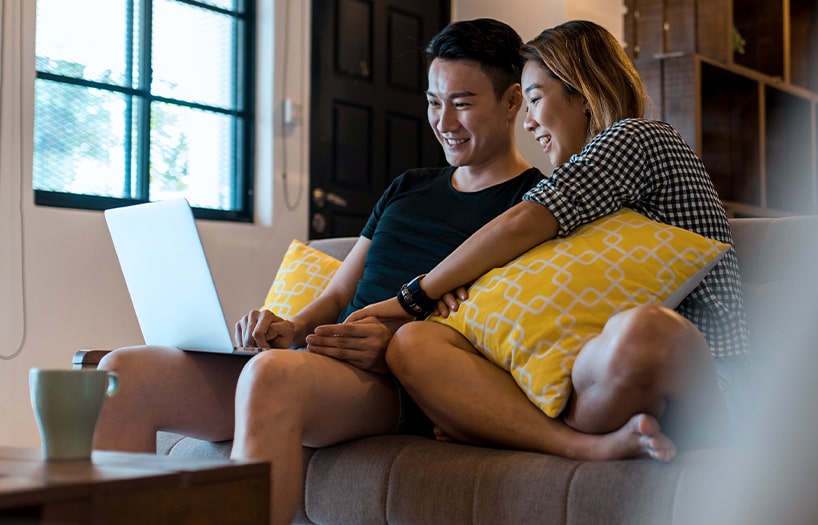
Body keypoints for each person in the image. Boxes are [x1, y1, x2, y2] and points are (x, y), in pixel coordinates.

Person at [93, 18, 543, 525]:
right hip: (319, 364)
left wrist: (392, 348)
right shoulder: (408, 187)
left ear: (511, 102)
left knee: (272, 376)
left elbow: (499, 326)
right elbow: (337, 293)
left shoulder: (532, 206)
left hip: (396, 385)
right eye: (434, 103)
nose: (444, 121)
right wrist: (288, 327)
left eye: (462, 103)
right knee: (124, 371)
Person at [348, 20, 751, 462]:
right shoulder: (582, 195)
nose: (530, 121)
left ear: (583, 93)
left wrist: (415, 297)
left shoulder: (641, 137)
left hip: (704, 376)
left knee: (645, 329)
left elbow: (522, 222)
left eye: (535, 99)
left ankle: (505, 428)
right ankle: (580, 446)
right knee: (415, 344)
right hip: (586, 376)